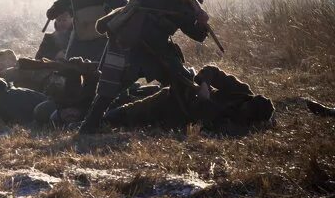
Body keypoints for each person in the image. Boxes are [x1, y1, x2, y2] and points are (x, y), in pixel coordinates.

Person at [78, 0, 216, 135]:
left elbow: (197, 35)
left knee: (182, 81)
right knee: (109, 88)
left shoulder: (185, 9)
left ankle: (177, 122)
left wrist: (202, 23)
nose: (191, 0)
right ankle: (89, 127)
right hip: (127, 42)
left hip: (156, 52)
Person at [105, 65, 273, 134]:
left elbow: (205, 123)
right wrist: (205, 85)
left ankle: (110, 114)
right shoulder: (241, 91)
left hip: (181, 116)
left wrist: (205, 104)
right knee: (142, 102)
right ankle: (109, 111)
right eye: (247, 105)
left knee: (141, 115)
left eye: (249, 112)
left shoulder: (239, 127)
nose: (244, 109)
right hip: (182, 95)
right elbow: (211, 71)